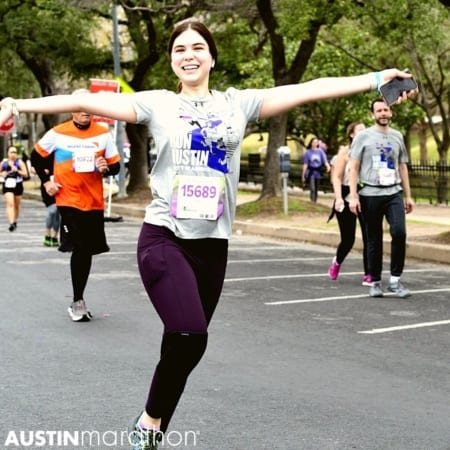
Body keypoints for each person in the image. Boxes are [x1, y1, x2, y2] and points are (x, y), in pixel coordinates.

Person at [0, 18, 416, 450]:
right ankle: (149, 422)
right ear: (172, 63)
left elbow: (308, 88)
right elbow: (84, 99)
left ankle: (152, 430)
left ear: (212, 57)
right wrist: (17, 102)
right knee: (190, 334)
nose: (189, 55)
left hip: (213, 246)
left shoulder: (239, 104)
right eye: (180, 50)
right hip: (163, 237)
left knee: (184, 347)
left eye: (198, 47)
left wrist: (374, 79)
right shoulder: (157, 103)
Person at [30, 89, 121, 322]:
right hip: (67, 199)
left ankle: (78, 298)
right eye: (80, 107)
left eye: (88, 107)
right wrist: (47, 181)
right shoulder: (58, 133)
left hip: (93, 201)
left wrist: (104, 168)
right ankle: (77, 301)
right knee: (79, 247)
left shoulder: (103, 134)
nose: (84, 112)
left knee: (87, 249)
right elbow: (36, 157)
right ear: (71, 109)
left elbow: (115, 166)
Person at [348, 98, 414, 298]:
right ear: (373, 115)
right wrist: (353, 196)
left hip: (393, 192)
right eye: (379, 110)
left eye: (386, 110)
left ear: (391, 113)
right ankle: (375, 281)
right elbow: (354, 168)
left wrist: (408, 196)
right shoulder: (363, 137)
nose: (383, 113)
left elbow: (402, 166)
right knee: (374, 239)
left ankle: (395, 280)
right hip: (370, 194)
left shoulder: (397, 136)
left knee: (399, 232)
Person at [328, 121, 372, 285]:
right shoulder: (345, 152)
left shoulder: (369, 151)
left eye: (365, 130)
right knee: (348, 240)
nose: (364, 132)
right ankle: (337, 262)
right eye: (360, 130)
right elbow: (337, 177)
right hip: (346, 198)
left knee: (369, 237)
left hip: (364, 198)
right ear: (351, 134)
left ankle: (369, 273)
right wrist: (338, 198)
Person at [1, 145, 28, 231]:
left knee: (16, 205)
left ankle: (15, 220)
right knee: (10, 203)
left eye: (15, 152)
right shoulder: (3, 163)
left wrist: (18, 171)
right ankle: (11, 223)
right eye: (11, 152)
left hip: (18, 185)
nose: (13, 154)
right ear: (7, 153)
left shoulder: (19, 162)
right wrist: (2, 174)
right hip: (7, 185)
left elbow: (26, 174)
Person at [38, 153, 60, 247]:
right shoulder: (44, 154)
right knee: (52, 210)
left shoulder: (62, 154)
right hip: (48, 187)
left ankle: (55, 236)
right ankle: (47, 233)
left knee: (58, 213)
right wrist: (42, 171)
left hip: (61, 186)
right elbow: (34, 167)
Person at [302, 136, 330, 202]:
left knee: (316, 188)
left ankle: (315, 200)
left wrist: (328, 166)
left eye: (316, 142)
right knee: (312, 188)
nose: (315, 143)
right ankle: (312, 200)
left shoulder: (320, 152)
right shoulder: (308, 152)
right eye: (313, 142)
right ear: (311, 143)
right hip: (311, 172)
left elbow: (325, 160)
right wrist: (303, 174)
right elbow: (305, 164)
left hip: (318, 172)